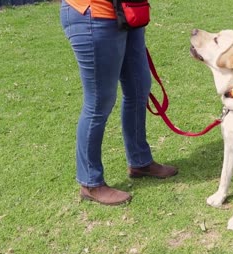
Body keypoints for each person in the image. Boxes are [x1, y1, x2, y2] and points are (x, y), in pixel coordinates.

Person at [60, 0, 178, 206]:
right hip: (93, 15)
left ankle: (140, 161)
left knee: (139, 86)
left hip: (126, 11)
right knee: (99, 101)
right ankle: (90, 182)